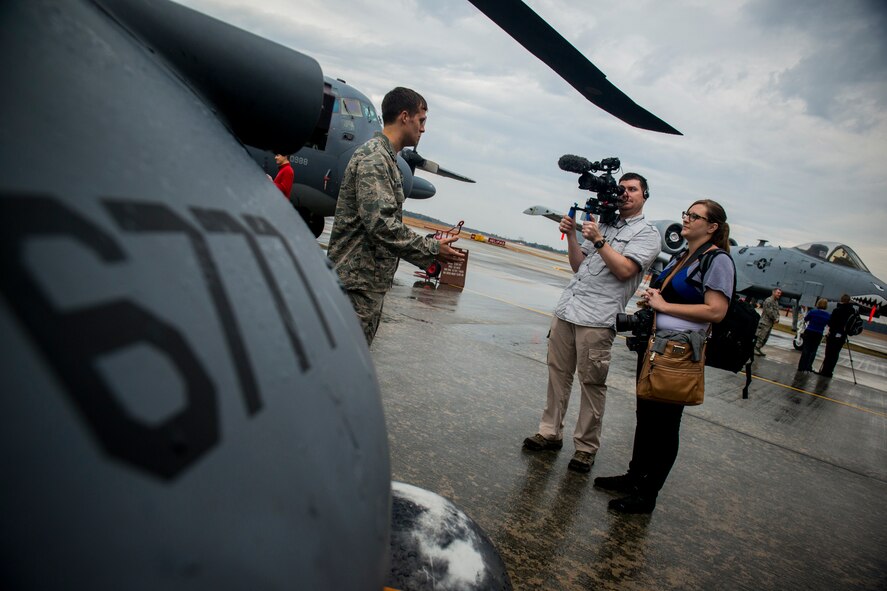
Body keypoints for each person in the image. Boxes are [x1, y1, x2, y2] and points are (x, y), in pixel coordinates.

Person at [594, 199, 734, 513]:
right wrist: (653, 299)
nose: (686, 219)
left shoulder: (718, 260)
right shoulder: (683, 255)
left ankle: (647, 495)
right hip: (655, 345)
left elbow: (716, 311)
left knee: (665, 424)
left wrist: (664, 306)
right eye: (686, 213)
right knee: (646, 416)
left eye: (695, 216)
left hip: (679, 352)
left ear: (712, 226)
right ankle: (634, 477)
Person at [522, 173, 661, 473]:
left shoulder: (647, 234)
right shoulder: (605, 224)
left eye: (633, 189)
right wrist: (573, 235)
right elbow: (578, 266)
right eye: (622, 188)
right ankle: (550, 432)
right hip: (568, 310)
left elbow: (625, 270)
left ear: (644, 196)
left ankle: (585, 447)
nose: (626, 193)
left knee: (592, 384)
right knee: (558, 375)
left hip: (597, 319)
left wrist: (598, 239)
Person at [327, 87, 464, 345]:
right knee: (340, 364)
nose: (423, 129)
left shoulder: (387, 160)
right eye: (421, 120)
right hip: (354, 288)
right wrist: (432, 249)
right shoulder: (375, 159)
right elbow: (381, 224)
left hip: (365, 287)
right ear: (404, 117)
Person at [817, 294, 857, 378]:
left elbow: (831, 322)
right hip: (843, 335)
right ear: (849, 301)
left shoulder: (837, 310)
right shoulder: (852, 311)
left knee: (829, 353)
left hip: (833, 334)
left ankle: (825, 371)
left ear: (841, 300)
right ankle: (830, 371)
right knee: (835, 354)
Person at [797, 298, 830, 372]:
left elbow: (806, 319)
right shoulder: (827, 315)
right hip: (819, 333)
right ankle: (808, 366)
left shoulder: (813, 312)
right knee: (813, 350)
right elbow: (829, 324)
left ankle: (801, 366)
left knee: (806, 349)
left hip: (810, 331)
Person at [754, 287, 782, 356]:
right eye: (778, 293)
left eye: (780, 293)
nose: (779, 294)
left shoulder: (776, 302)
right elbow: (769, 312)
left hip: (770, 323)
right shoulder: (768, 301)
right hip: (764, 323)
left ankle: (758, 348)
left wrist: (777, 318)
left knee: (765, 338)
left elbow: (777, 312)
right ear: (773, 292)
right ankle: (755, 348)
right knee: (761, 337)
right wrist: (775, 318)